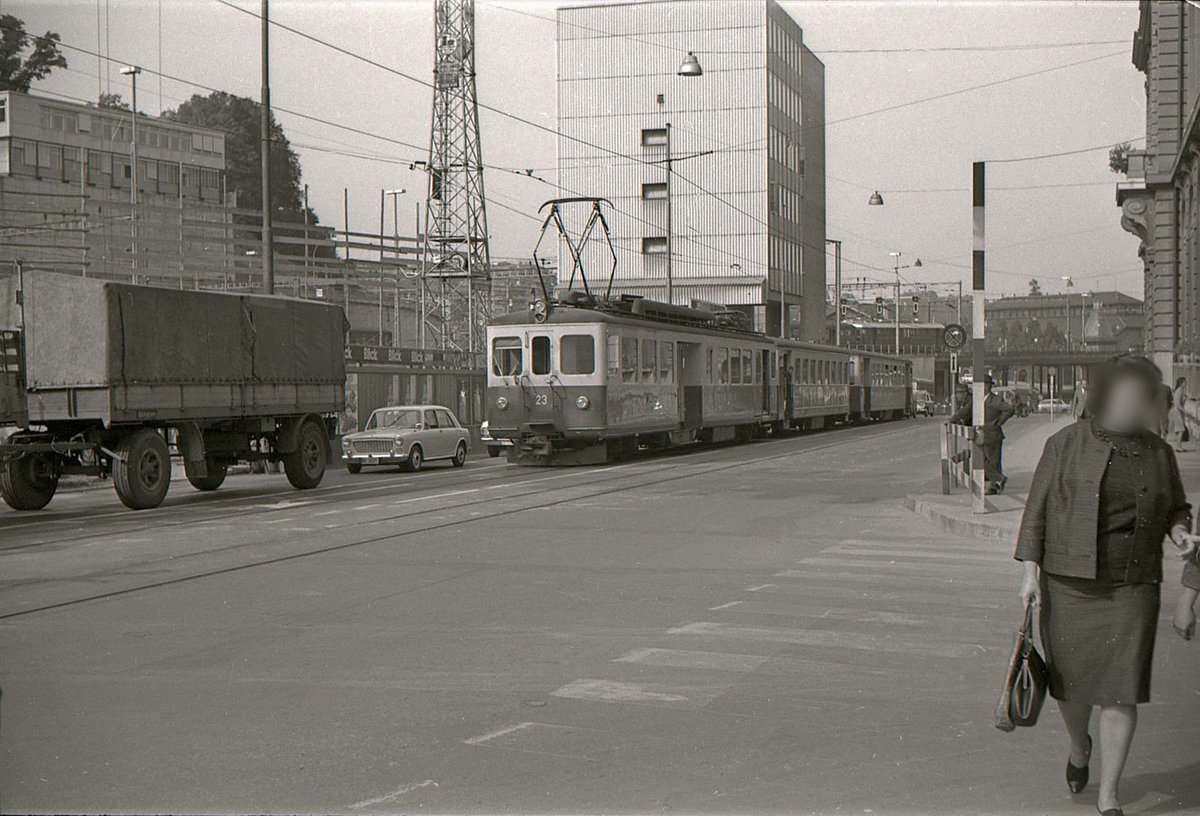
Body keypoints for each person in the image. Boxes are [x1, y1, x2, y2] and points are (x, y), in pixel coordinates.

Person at [1015, 354, 1200, 816]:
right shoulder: (1064, 444)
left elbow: (1178, 507)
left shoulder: (1159, 451)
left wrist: (1179, 532)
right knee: (1071, 689)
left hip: (1133, 587)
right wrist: (1029, 574)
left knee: (1121, 691)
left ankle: (1109, 795)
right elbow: (1035, 513)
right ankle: (1080, 747)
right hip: (1070, 585)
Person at [949, 374, 1014, 493]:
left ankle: (996, 484)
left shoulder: (995, 400)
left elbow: (1009, 409)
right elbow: (966, 412)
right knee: (983, 460)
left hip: (993, 434)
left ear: (986, 387)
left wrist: (999, 422)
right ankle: (997, 481)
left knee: (992, 461)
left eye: (979, 386)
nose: (976, 389)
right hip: (983, 435)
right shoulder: (979, 400)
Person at [1170, 376, 1189, 451]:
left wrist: (1184, 399)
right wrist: (1185, 411)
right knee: (1181, 429)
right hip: (1178, 412)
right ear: (1181, 383)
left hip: (1176, 411)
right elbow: (1178, 404)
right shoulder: (1180, 390)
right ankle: (1178, 446)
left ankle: (1179, 446)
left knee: (1179, 429)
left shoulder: (1178, 390)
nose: (1186, 383)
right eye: (1185, 382)